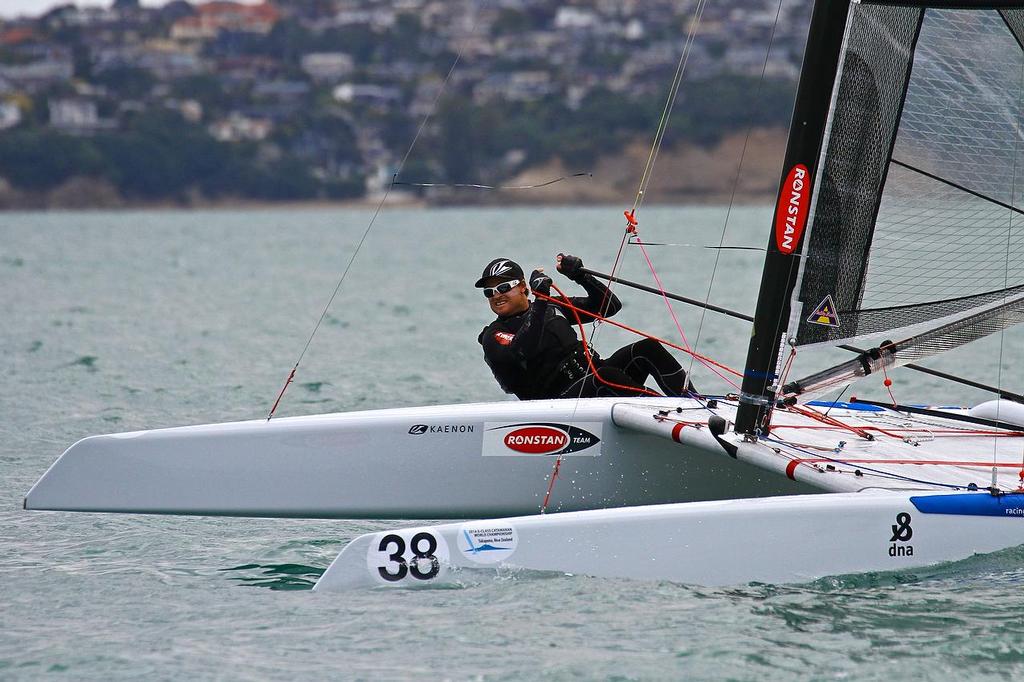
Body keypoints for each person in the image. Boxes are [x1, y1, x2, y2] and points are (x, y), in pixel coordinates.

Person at [476, 254, 695, 399]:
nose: (496, 295)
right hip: (555, 404)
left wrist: (580, 276)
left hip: (593, 381)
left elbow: (609, 306)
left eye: (503, 287)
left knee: (647, 348)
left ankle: (695, 405)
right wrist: (541, 301)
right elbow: (524, 348)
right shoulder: (493, 335)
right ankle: (666, 413)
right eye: (489, 292)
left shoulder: (552, 307)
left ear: (523, 287)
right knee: (606, 377)